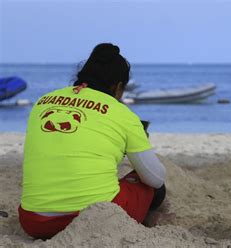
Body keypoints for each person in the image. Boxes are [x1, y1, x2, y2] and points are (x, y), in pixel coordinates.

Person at [19, 43, 168, 239]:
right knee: (151, 185)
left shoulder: (42, 101)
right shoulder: (122, 113)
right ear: (119, 87)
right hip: (96, 220)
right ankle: (146, 220)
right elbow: (155, 178)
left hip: (33, 222)